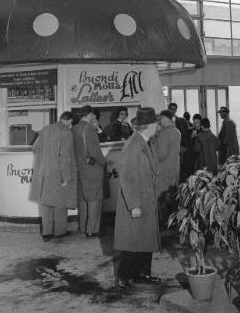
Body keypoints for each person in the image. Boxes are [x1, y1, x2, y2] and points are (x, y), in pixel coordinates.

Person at [113, 107, 163, 289]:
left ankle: (142, 274)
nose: (159, 126)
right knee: (132, 240)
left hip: (146, 198)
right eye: (157, 124)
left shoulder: (143, 142)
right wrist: (134, 204)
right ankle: (123, 276)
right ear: (150, 125)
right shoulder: (134, 145)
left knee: (144, 239)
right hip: (136, 201)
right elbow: (128, 177)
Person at [29, 112, 77, 242]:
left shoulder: (46, 129)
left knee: (45, 204)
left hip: (44, 173)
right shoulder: (66, 133)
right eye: (71, 123)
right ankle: (60, 232)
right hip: (58, 173)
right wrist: (66, 177)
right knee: (60, 204)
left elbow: (34, 148)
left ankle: (46, 233)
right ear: (69, 121)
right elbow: (65, 157)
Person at [72, 105, 107, 238]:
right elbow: (95, 152)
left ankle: (82, 227)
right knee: (94, 199)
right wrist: (103, 162)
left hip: (79, 168)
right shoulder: (89, 129)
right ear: (90, 115)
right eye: (93, 115)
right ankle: (92, 230)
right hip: (92, 169)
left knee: (83, 200)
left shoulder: (74, 128)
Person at [154, 110, 180, 227]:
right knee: (172, 195)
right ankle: (174, 221)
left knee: (161, 197)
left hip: (163, 169)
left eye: (161, 118)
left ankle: (164, 223)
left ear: (166, 118)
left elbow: (161, 154)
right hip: (174, 168)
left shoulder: (164, 133)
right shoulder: (176, 132)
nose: (160, 121)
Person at [168, 103, 192, 180]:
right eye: (171, 109)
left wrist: (184, 147)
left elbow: (186, 133)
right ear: (168, 109)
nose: (172, 111)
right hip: (168, 149)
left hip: (180, 148)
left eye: (174, 109)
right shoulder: (163, 122)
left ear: (176, 110)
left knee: (180, 166)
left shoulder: (181, 121)